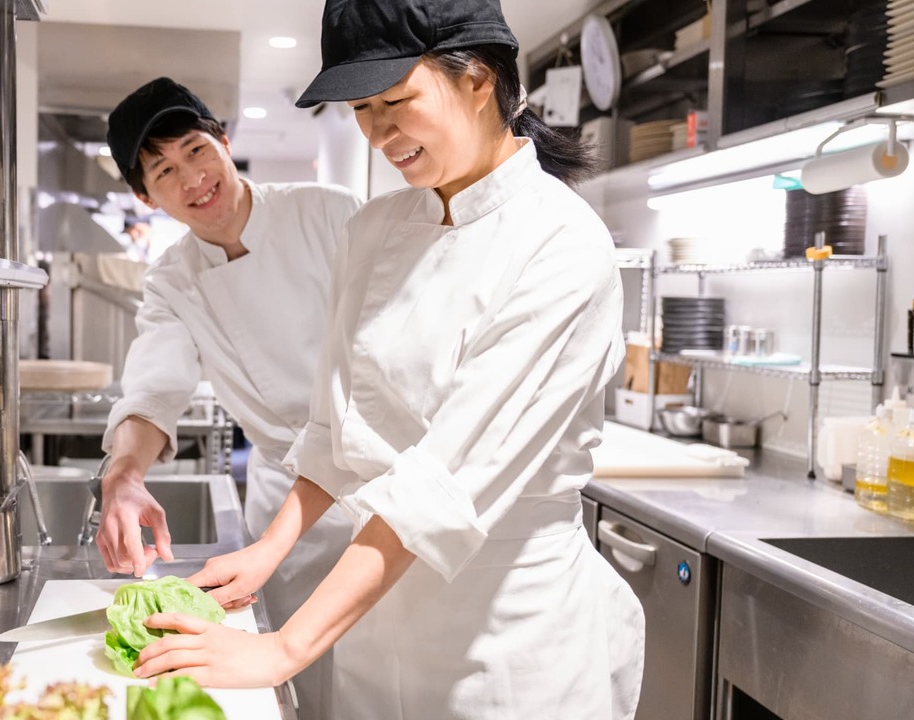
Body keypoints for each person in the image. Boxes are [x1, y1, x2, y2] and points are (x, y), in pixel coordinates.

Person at [131, 2, 646, 719]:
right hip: (379, 631)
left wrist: (284, 649)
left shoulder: (561, 245)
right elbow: (337, 429)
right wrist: (269, 551)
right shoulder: (376, 228)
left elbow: (443, 488)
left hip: (507, 643)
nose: (377, 133)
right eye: (361, 110)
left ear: (478, 78)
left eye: (395, 102)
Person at [97, 77, 362, 720]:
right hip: (286, 508)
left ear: (222, 140)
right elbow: (157, 384)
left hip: (382, 481)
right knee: (303, 687)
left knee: (382, 675)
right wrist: (124, 474)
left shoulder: (334, 213)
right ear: (145, 196)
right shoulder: (171, 280)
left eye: (195, 150)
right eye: (163, 169)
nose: (191, 177)